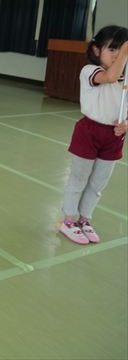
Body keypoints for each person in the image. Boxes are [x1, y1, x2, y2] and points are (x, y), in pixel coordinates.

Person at [59, 25, 128, 245]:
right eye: (112, 49)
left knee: (98, 183)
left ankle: (85, 219)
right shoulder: (90, 71)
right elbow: (110, 76)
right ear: (97, 50)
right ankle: (69, 220)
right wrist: (125, 52)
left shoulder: (125, 78)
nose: (117, 55)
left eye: (120, 50)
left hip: (113, 137)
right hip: (89, 132)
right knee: (79, 179)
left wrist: (126, 125)